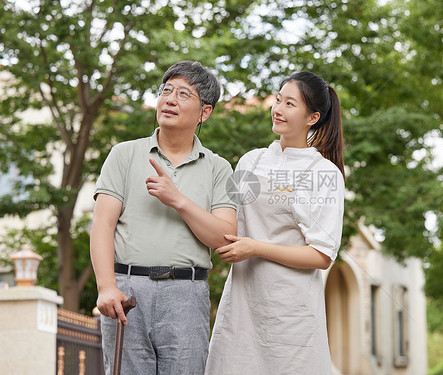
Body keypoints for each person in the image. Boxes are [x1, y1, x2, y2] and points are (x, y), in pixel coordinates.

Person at [90, 60, 237, 375]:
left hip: (187, 292)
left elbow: (225, 238)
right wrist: (106, 286)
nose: (170, 99)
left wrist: (178, 200)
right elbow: (102, 225)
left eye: (184, 94)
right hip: (126, 291)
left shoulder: (218, 167)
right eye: (166, 91)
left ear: (204, 113)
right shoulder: (124, 154)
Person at [206, 71, 345, 374]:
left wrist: (255, 248)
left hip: (291, 314)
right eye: (278, 99)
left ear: (313, 117)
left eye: (290, 104)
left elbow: (321, 255)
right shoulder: (250, 161)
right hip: (243, 304)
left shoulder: (323, 173)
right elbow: (226, 222)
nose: (278, 109)